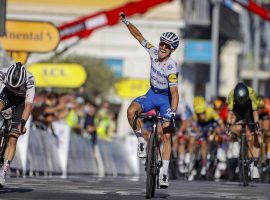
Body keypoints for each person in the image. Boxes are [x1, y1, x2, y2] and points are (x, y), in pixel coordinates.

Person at [120, 13, 179, 188]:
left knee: (167, 135)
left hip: (166, 99)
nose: (163, 47)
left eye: (167, 46)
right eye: (162, 43)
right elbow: (139, 36)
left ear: (172, 50)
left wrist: (172, 111)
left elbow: (175, 93)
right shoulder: (153, 51)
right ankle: (140, 141)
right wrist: (126, 22)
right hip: (151, 94)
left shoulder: (171, 67)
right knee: (131, 111)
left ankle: (165, 173)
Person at [0, 62, 35, 187]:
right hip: (6, 96)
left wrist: (22, 123)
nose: (14, 87)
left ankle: (2, 174)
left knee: (13, 138)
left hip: (21, 102)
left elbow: (29, 105)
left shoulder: (30, 79)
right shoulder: (2, 73)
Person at [226, 82, 261, 179]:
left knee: (252, 136)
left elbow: (255, 113)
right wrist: (228, 126)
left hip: (249, 111)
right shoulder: (231, 94)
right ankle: (236, 141)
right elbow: (229, 113)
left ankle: (254, 166)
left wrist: (257, 125)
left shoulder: (252, 94)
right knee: (232, 122)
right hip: (237, 110)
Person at [192, 96, 224, 176]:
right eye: (199, 113)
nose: (202, 115)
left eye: (203, 112)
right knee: (203, 143)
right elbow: (194, 126)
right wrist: (198, 133)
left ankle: (217, 148)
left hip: (210, 124)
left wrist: (222, 130)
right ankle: (203, 164)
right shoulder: (195, 115)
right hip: (201, 126)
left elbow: (220, 122)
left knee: (216, 131)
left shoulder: (210, 111)